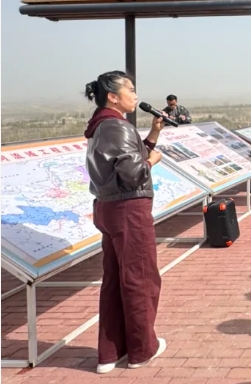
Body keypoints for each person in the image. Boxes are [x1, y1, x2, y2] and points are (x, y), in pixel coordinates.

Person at [84, 71, 167, 374]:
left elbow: (125, 159)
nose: (135, 95)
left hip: (109, 207)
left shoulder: (100, 125)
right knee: (140, 278)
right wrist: (152, 161)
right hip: (129, 209)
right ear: (113, 96)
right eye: (130, 90)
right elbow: (133, 173)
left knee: (115, 279)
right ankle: (142, 350)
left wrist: (154, 134)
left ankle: (110, 352)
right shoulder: (117, 126)